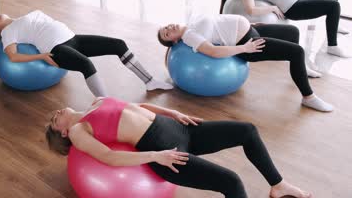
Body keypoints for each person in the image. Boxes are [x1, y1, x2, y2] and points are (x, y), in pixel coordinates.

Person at [46, 97, 311, 198]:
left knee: (247, 131)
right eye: (53, 121)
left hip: (178, 129)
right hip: (163, 149)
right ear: (64, 132)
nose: (55, 113)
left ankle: (278, 185)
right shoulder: (80, 132)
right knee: (231, 182)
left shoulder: (97, 100)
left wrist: (171, 112)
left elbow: (137, 107)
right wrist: (156, 156)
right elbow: (109, 157)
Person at [157, 13, 334, 112]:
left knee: (292, 32)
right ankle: (308, 97)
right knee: (297, 51)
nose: (167, 29)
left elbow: (220, 23)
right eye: (166, 34)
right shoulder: (189, 37)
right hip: (247, 44)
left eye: (165, 27)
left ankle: (302, 69)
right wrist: (244, 49)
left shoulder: (191, 23)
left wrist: (249, 24)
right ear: (173, 41)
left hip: (250, 30)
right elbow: (214, 51)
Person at [0, 10, 173, 96]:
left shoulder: (23, 17)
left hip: (73, 38)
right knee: (86, 65)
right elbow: (13, 57)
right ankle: (106, 103)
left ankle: (149, 81)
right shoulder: (8, 32)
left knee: (118, 44)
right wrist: (42, 56)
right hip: (56, 49)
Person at [221, 0, 350, 58]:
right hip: (293, 7)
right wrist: (272, 8)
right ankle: (332, 46)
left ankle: (334, 25)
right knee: (334, 6)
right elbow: (251, 10)